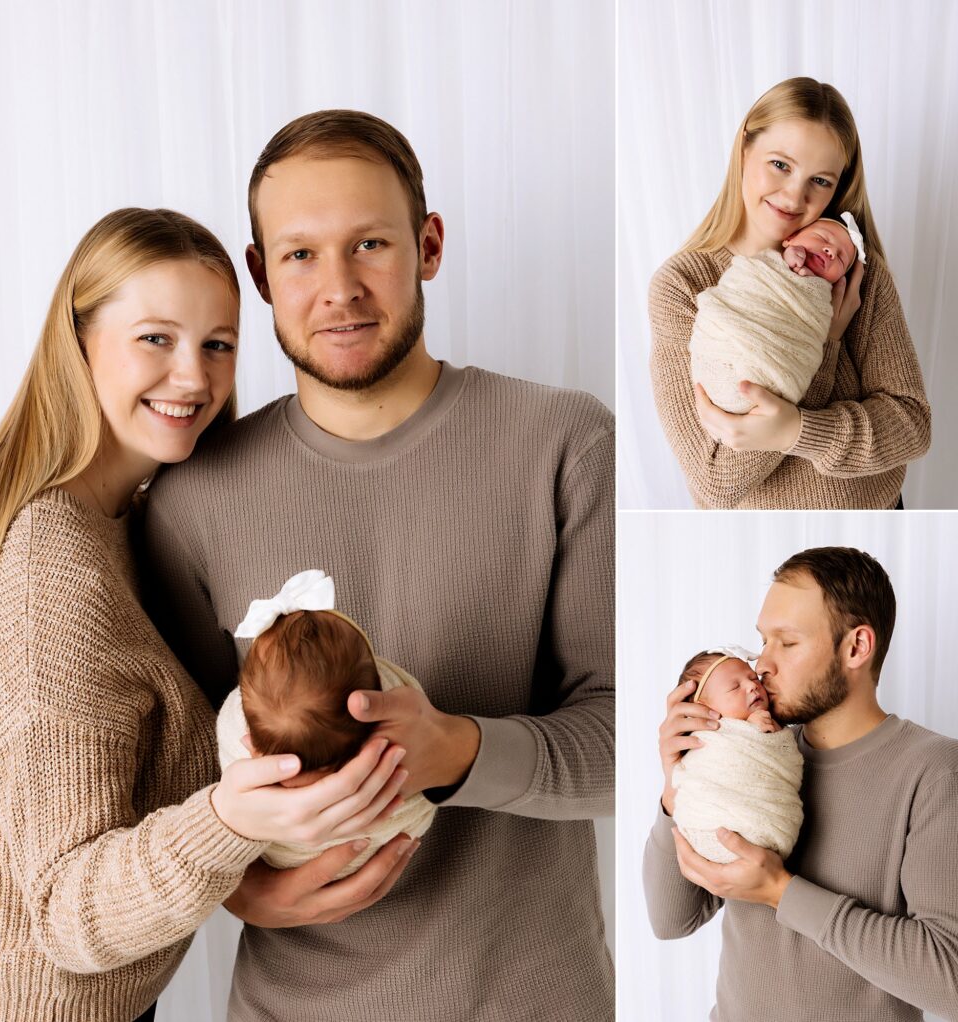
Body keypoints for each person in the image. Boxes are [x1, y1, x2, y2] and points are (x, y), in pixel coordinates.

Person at [142, 109, 615, 1021]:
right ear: (259, 276)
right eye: (300, 256)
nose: (339, 289)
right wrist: (239, 888)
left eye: (370, 244)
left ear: (429, 245)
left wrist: (457, 749)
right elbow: (176, 792)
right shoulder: (191, 499)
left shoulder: (562, 441)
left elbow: (626, 745)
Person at [0, 208, 409, 1022]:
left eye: (218, 344)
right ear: (77, 342)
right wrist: (231, 820)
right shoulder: (53, 573)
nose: (193, 377)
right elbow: (67, 913)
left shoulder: (122, 521)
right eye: (155, 339)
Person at [644, 547, 958, 1021]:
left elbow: (949, 980)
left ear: (856, 647)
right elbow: (671, 922)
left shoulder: (934, 770)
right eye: (762, 641)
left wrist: (780, 892)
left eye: (786, 643)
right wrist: (676, 788)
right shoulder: (752, 764)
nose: (761, 665)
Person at [649, 77, 931, 509]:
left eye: (820, 180)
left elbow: (912, 425)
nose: (794, 195)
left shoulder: (853, 271)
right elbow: (716, 482)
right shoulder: (684, 286)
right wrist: (824, 342)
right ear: (745, 150)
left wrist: (796, 431)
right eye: (780, 165)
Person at [216, 569, 437, 876]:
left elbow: (230, 768)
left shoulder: (236, 732)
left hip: (287, 863)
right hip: (387, 839)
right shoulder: (395, 709)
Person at [690, 215, 861, 414]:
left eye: (841, 258)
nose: (831, 251)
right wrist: (787, 260)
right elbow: (750, 280)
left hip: (774, 369)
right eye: (822, 237)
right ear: (790, 238)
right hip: (724, 341)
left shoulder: (825, 298)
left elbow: (810, 331)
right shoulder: (769, 261)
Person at [669, 648, 804, 865]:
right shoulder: (706, 739)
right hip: (708, 827)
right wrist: (669, 777)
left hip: (768, 824)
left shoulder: (778, 728)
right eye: (734, 687)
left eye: (752, 678)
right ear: (703, 709)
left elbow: (783, 754)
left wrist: (759, 732)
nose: (752, 684)